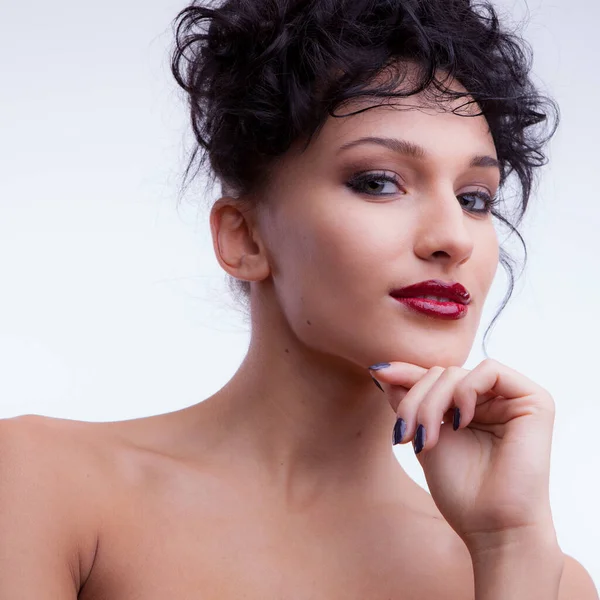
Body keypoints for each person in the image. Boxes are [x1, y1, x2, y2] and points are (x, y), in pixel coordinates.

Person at [0, 0, 597, 598]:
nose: (451, 239)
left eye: (474, 198)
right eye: (378, 182)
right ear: (245, 236)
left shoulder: (545, 575)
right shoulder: (40, 482)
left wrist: (508, 548)